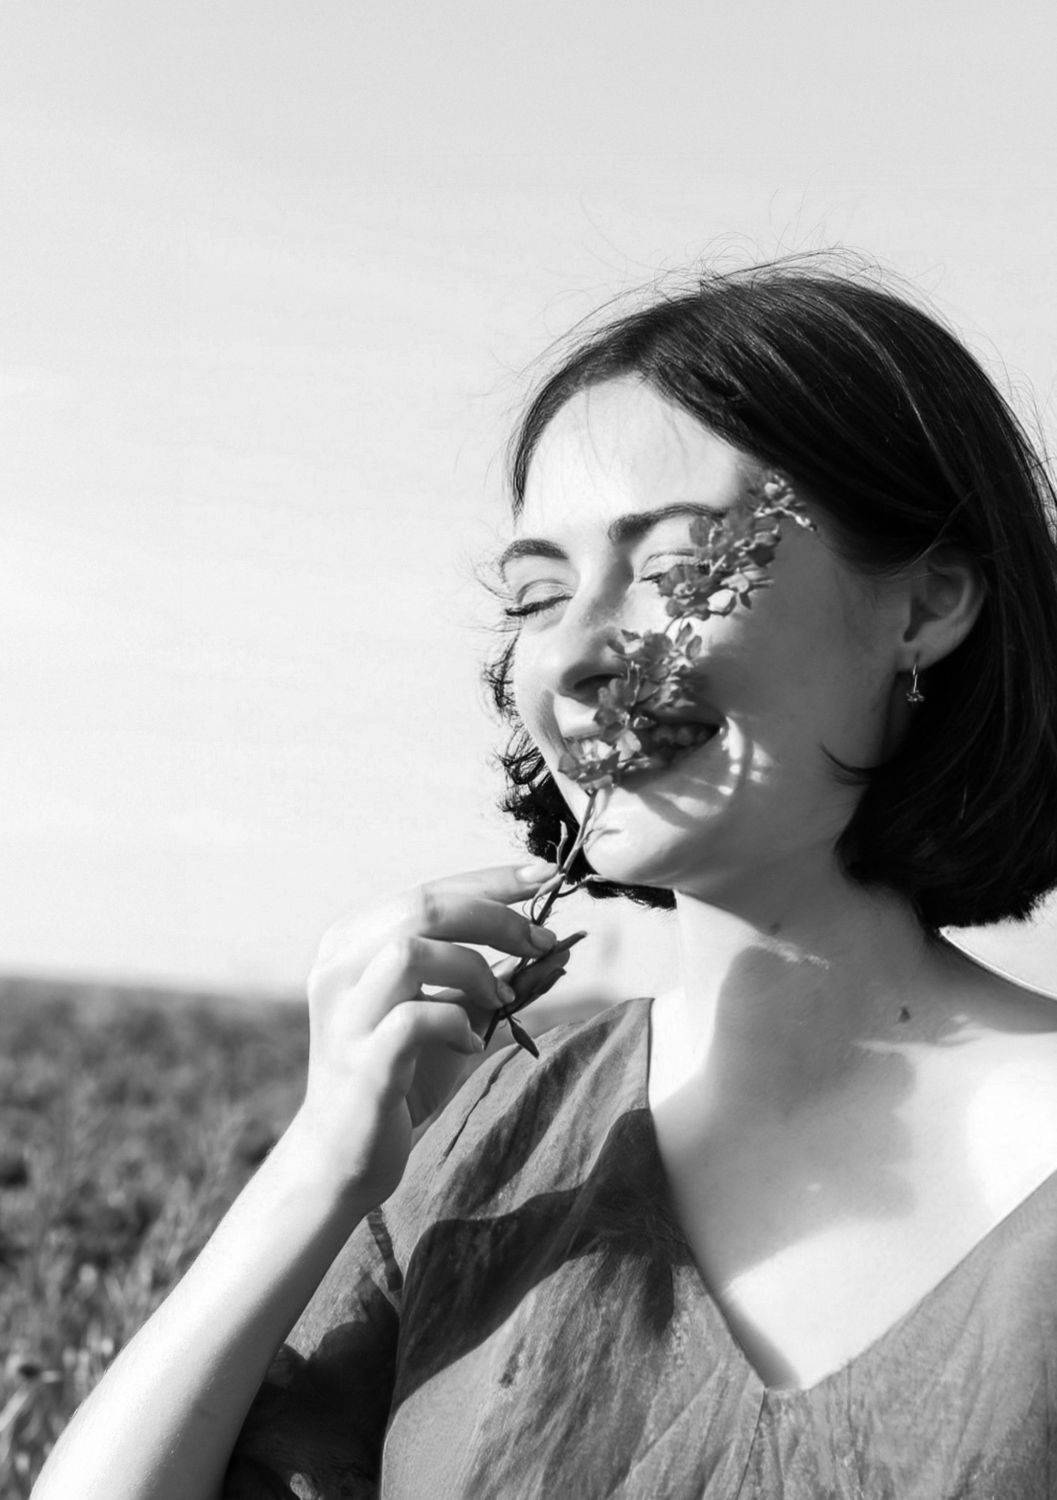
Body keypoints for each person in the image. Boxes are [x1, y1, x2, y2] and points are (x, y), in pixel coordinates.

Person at [33, 259, 1057, 1499]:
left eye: (675, 570)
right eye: (535, 595)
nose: (576, 654)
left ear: (927, 605)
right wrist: (317, 1168)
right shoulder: (487, 1145)